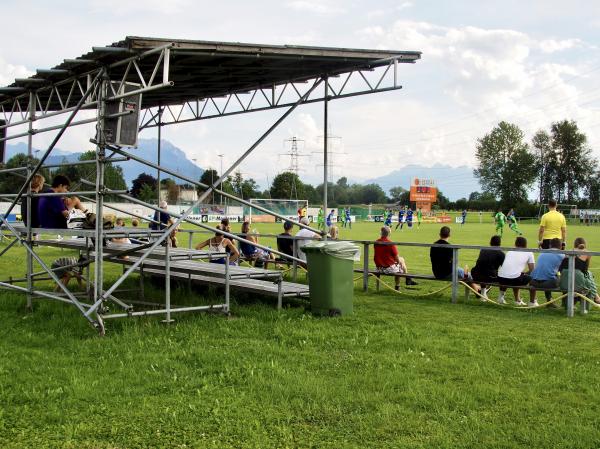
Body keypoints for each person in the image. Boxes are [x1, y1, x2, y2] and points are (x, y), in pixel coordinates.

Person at [374, 226, 417, 290]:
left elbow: (382, 254)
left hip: (378, 268)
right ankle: (400, 284)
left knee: (401, 260)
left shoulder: (376, 242)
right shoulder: (390, 244)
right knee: (401, 262)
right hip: (388, 268)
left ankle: (408, 279)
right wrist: (398, 262)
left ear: (381, 233)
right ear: (389, 234)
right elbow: (397, 259)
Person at [559, 237, 600, 304]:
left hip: (564, 282)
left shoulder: (567, 253)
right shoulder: (587, 253)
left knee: (588, 275)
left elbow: (561, 269)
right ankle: (596, 297)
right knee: (588, 275)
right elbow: (585, 270)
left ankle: (596, 297)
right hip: (578, 283)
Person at [496, 236, 534, 306]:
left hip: (500, 278)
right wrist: (526, 273)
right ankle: (533, 302)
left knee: (514, 275)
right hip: (514, 279)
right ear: (526, 244)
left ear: (515, 244)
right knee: (533, 279)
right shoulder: (529, 252)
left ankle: (502, 298)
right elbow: (532, 270)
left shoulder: (510, 251)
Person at [529, 238, 564, 306]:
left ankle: (549, 301)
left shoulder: (543, 253)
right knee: (561, 278)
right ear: (561, 246)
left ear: (550, 245)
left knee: (549, 275)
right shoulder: (562, 255)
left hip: (533, 282)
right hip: (548, 283)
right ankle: (565, 303)